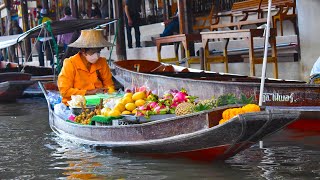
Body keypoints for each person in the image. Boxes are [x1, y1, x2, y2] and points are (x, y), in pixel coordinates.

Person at [57, 29, 115, 105]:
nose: (97, 55)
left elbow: (109, 85)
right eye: (93, 51)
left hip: (100, 103)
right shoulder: (70, 63)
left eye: (98, 51)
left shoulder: (102, 62)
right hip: (75, 104)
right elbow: (64, 91)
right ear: (83, 50)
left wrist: (110, 94)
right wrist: (89, 92)